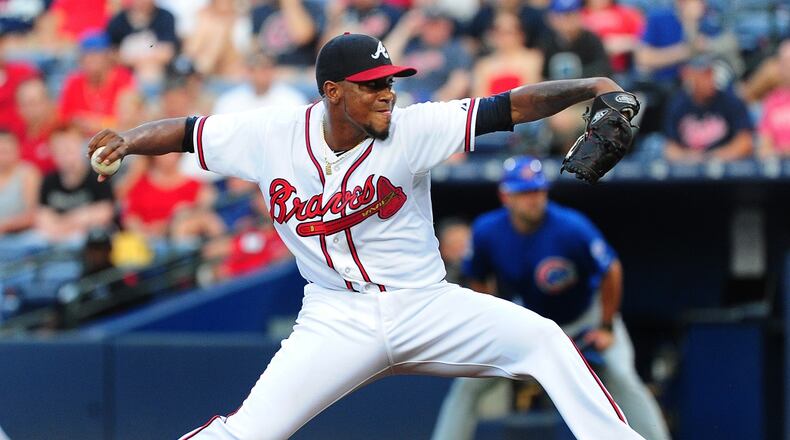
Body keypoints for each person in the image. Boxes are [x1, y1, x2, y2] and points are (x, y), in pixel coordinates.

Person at [88, 33, 644, 439]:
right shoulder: (271, 135)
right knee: (249, 432)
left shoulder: (415, 129)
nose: (387, 93)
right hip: (335, 317)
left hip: (427, 303)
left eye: (391, 82)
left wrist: (592, 86)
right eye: (372, 85)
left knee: (544, 341)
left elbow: (511, 106)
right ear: (332, 92)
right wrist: (130, 140)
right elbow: (186, 132)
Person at [431, 156, 670, 440]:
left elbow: (611, 270)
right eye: (525, 192)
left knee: (622, 376)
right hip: (534, 324)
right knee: (468, 386)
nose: (534, 199)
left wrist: (606, 326)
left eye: (538, 190)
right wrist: (491, 322)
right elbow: (477, 277)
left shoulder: (570, 227)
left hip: (584, 319)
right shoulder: (487, 231)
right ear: (506, 196)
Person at [662, 55, 753, 162]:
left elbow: (745, 143)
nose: (710, 79)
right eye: (704, 74)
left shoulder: (730, 101)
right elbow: (670, 149)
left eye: (711, 73)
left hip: (726, 171)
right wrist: (689, 158)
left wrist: (711, 157)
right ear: (690, 76)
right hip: (691, 172)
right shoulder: (677, 104)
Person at [757, 39, 790, 157]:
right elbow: (763, 149)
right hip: (779, 169)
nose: (788, 67)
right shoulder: (772, 101)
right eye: (785, 62)